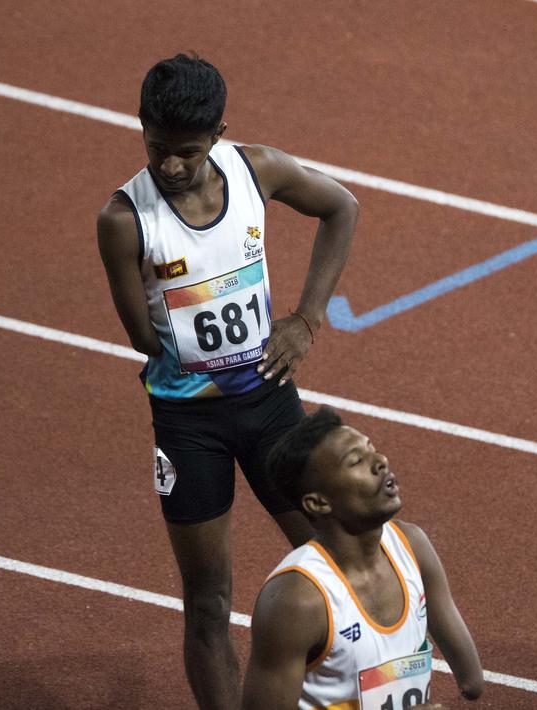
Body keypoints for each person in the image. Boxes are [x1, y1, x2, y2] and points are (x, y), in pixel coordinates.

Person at [96, 53, 359, 709]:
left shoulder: (256, 170)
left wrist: (306, 319)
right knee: (209, 601)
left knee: (340, 562)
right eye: (157, 148)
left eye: (187, 152)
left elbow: (342, 208)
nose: (170, 166)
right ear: (141, 127)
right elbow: (142, 339)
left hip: (271, 406)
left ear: (218, 133)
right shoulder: (124, 221)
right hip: (189, 427)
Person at [241, 405, 484, 709]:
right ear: (318, 503)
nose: (380, 462)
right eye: (356, 461)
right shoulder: (298, 600)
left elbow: (473, 681)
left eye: (372, 449)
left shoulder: (413, 547)